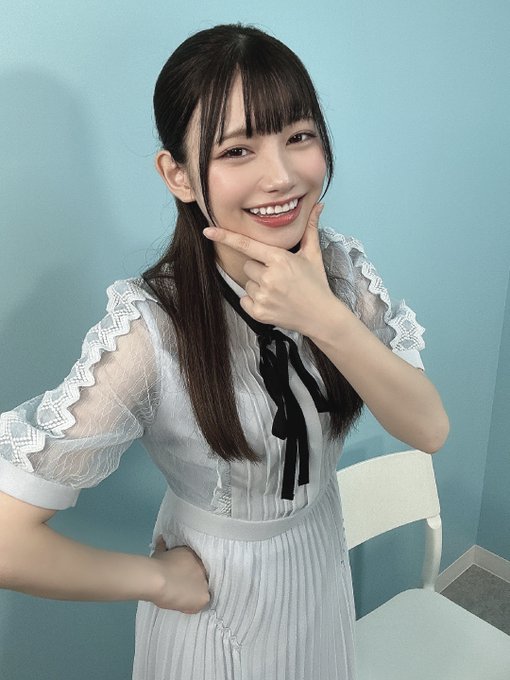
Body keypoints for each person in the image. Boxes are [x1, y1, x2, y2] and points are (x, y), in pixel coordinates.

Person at [0, 23, 449, 680]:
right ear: (179, 175)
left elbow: (428, 428)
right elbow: (6, 540)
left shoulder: (341, 273)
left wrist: (324, 317)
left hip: (319, 565)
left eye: (299, 136)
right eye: (238, 150)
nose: (282, 176)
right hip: (215, 598)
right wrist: (158, 581)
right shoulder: (153, 328)